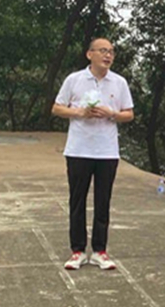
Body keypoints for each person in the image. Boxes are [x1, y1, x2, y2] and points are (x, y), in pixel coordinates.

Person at [51, 38, 134, 271]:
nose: (108, 55)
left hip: (107, 151)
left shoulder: (119, 82)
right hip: (79, 149)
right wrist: (80, 112)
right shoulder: (74, 79)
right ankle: (77, 250)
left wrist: (111, 113)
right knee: (77, 200)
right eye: (103, 51)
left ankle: (100, 251)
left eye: (111, 52)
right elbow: (57, 108)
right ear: (90, 54)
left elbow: (129, 114)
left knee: (103, 201)